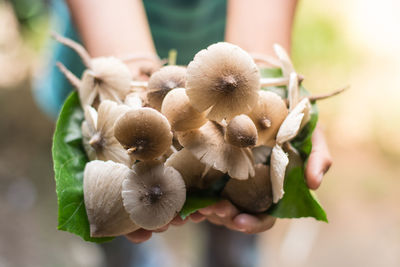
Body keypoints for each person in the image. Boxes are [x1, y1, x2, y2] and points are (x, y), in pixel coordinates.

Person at [35, 0, 332, 266]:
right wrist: (126, 74)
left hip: (229, 69)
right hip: (107, 44)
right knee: (119, 210)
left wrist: (265, 74)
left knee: (238, 212)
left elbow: (250, 80)